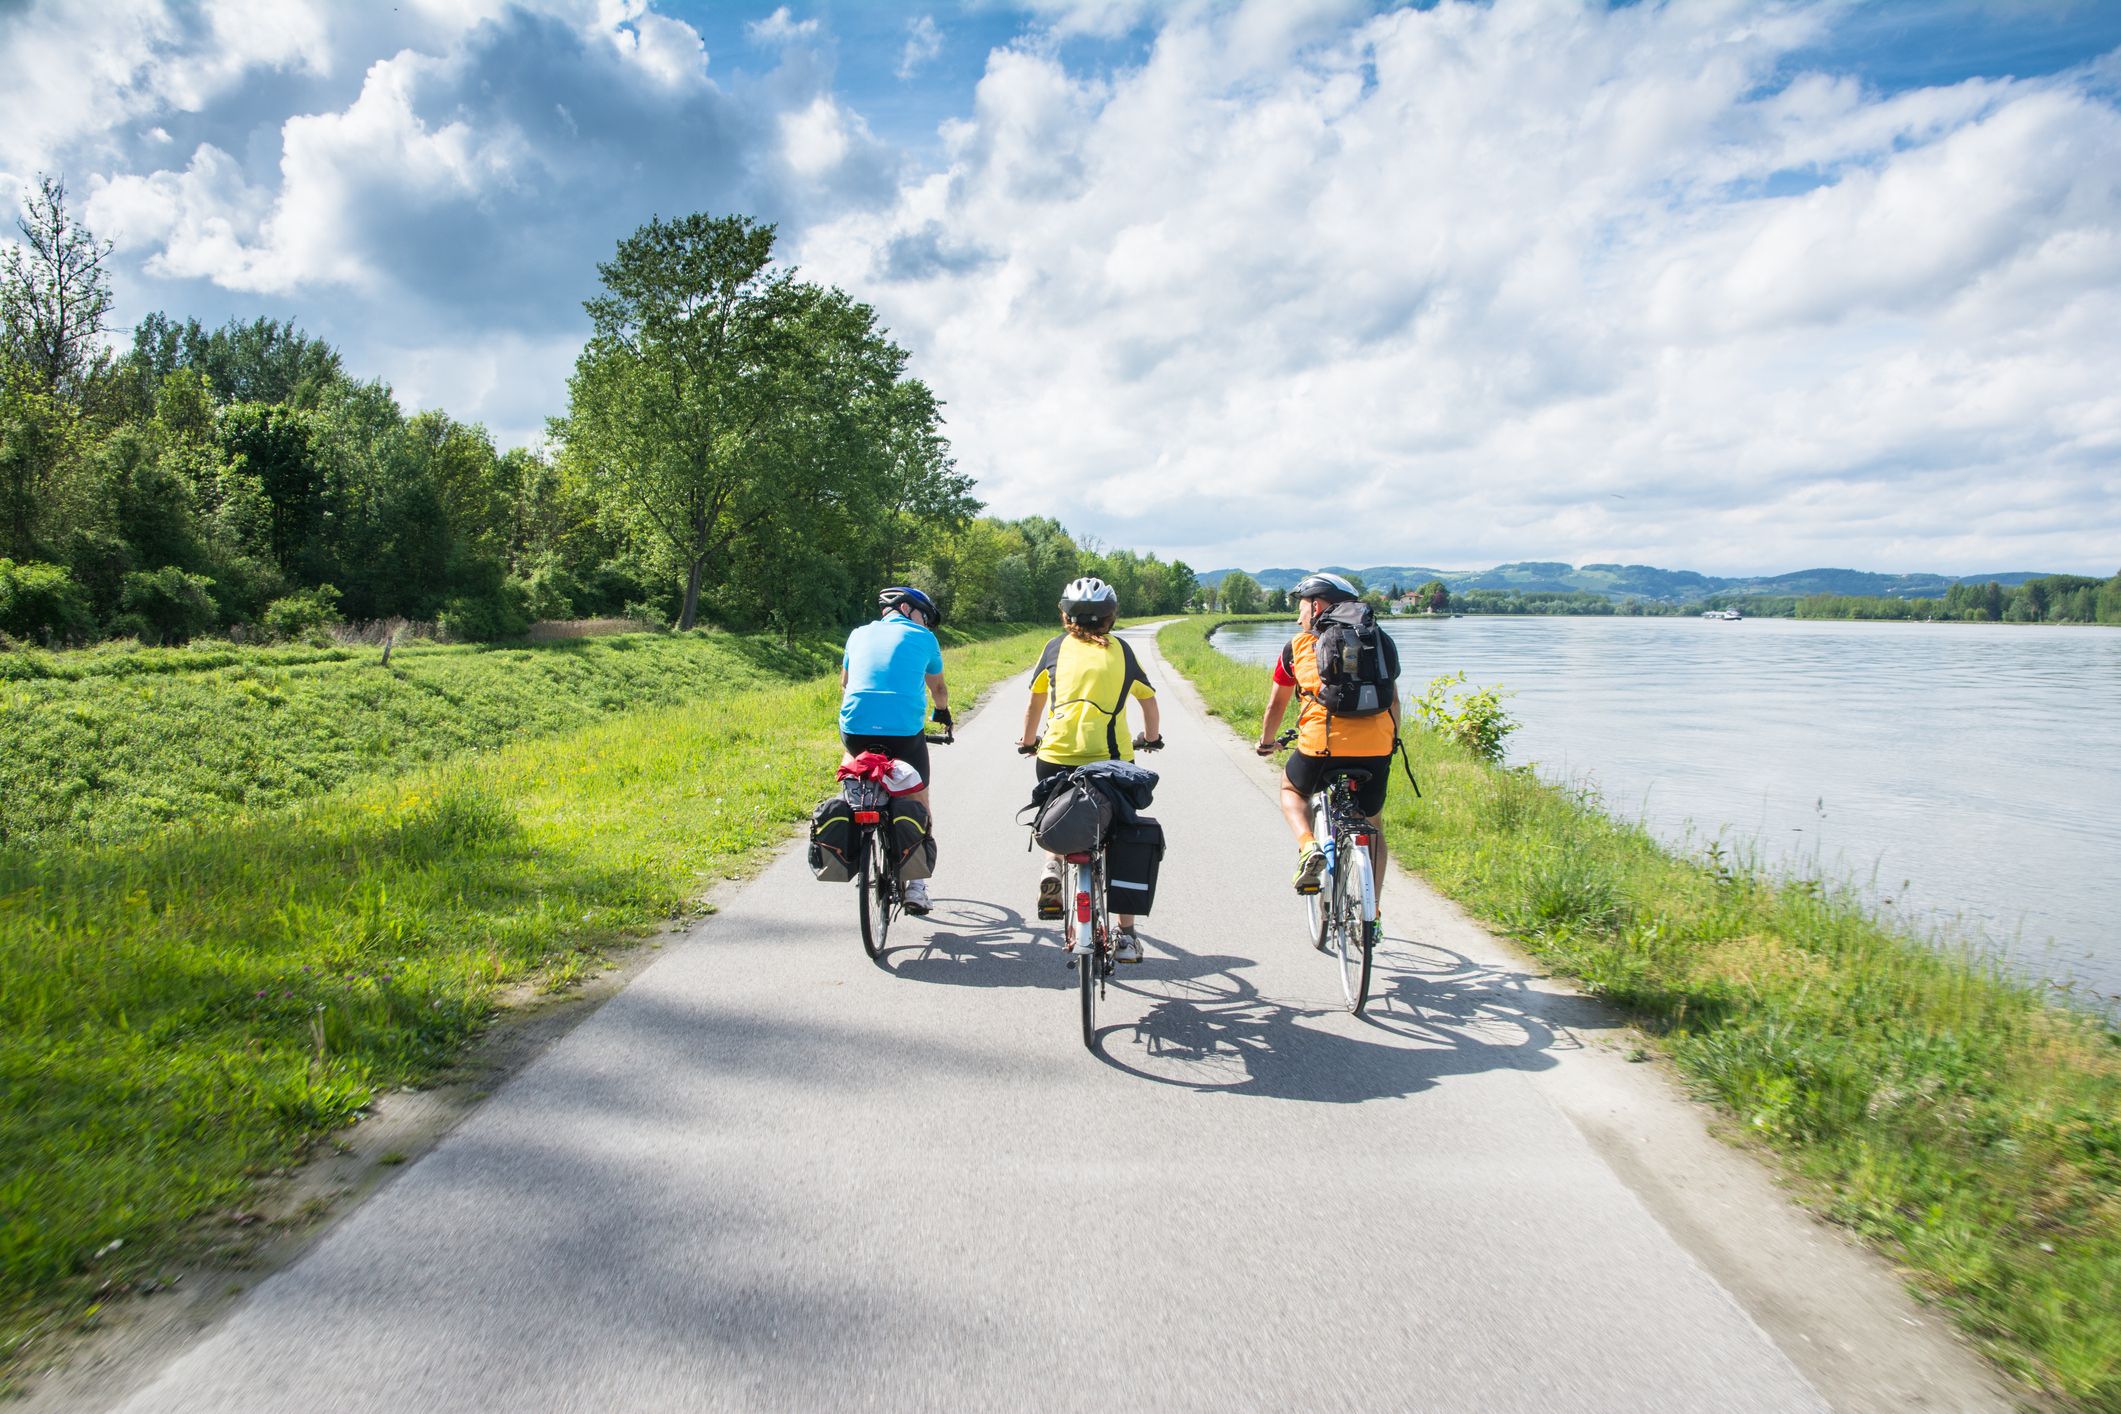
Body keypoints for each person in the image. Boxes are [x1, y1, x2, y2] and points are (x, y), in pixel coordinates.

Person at [1018, 576, 1162, 961]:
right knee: (1119, 838)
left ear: (1066, 617)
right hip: (1112, 763)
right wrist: (1152, 737)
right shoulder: (1124, 652)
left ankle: (1052, 864)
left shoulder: (1054, 648)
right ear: (1111, 618)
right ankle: (1127, 935)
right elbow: (1149, 703)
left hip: (1055, 759)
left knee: (1056, 815)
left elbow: (1035, 705)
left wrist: (1029, 741)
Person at [1255, 571, 1402, 903]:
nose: (1298, 618)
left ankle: (1309, 846)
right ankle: (1372, 914)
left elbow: (1275, 704)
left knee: (1292, 790)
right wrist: (1390, 744)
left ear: (1317, 605)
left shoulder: (1298, 646)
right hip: (1377, 749)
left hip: (1320, 747)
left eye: (1301, 607)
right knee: (1373, 825)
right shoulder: (1376, 640)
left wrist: (1267, 742)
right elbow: (1392, 700)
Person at [840, 586, 951, 915]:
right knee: (919, 796)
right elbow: (939, 688)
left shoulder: (857, 634)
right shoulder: (924, 638)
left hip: (854, 729)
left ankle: (855, 805)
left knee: (852, 764)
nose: (926, 624)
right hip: (903, 735)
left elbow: (845, 682)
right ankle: (916, 885)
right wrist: (941, 713)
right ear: (905, 608)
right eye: (924, 617)